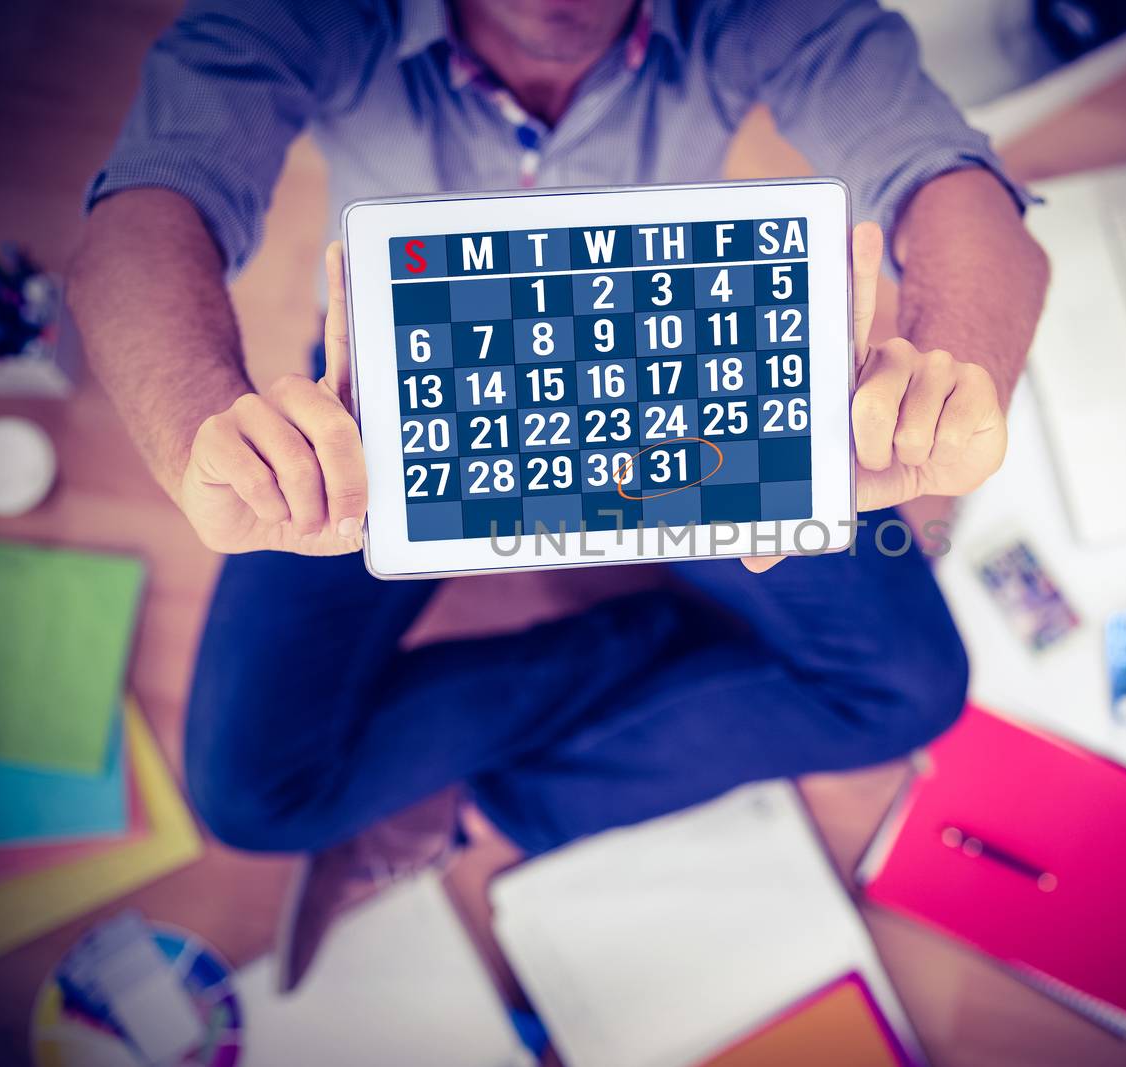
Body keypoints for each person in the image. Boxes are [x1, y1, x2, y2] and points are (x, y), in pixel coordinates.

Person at [68, 0, 1048, 988]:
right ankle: (649, 630)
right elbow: (143, 215)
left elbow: (950, 180)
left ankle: (483, 804)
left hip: (692, 378)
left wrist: (961, 374)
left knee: (914, 688)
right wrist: (193, 434)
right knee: (246, 796)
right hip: (397, 398)